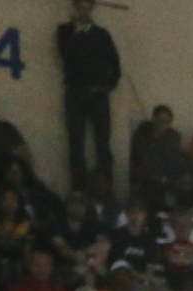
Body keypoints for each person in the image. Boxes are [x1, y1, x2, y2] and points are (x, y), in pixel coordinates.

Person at [56, 0, 122, 195]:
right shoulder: (65, 31)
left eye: (88, 6)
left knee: (103, 143)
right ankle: (79, 190)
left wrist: (107, 86)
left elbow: (115, 64)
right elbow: (66, 54)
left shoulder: (102, 34)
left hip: (98, 93)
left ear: (92, 8)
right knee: (76, 143)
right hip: (75, 92)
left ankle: (107, 190)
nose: (84, 10)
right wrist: (79, 31)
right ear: (75, 7)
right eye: (81, 5)